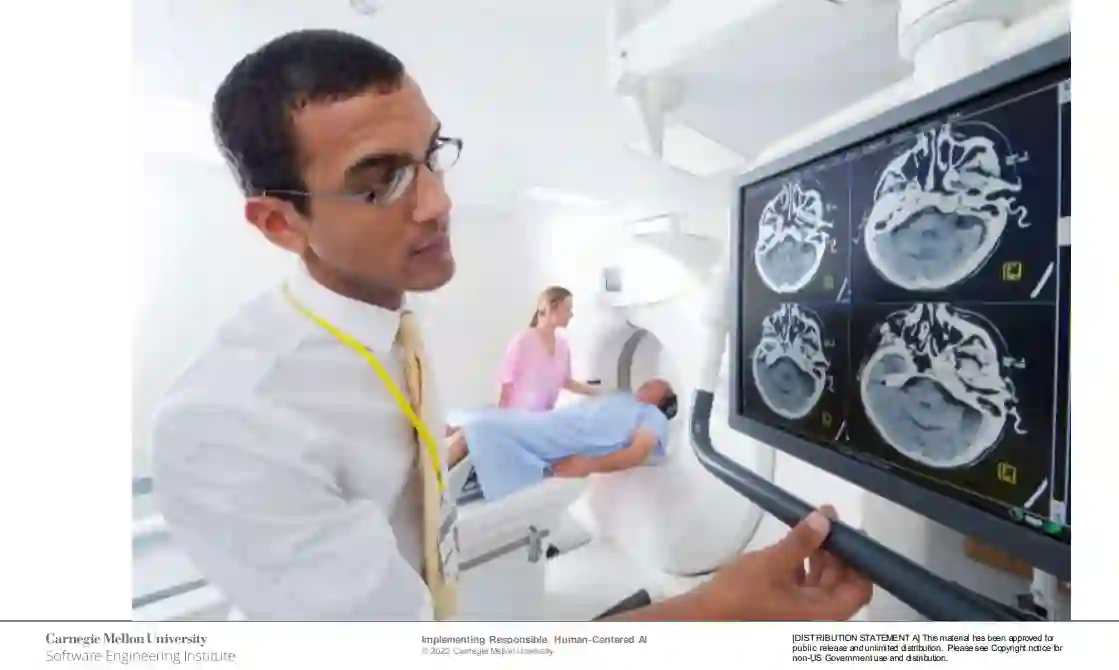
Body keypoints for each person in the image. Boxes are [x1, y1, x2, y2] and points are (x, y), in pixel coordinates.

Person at [150, 28, 872, 622]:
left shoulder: (392, 325)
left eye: (432, 156)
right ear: (280, 223)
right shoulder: (234, 424)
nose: (438, 203)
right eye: (380, 181)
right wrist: (720, 610)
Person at [447, 378, 677, 501]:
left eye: (652, 385)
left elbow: (637, 453)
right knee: (483, 414)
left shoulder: (651, 415)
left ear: (662, 400)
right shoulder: (622, 399)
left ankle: (434, 478)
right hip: (553, 421)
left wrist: (588, 464)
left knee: (480, 427)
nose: (645, 384)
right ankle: (442, 455)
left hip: (563, 436)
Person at [497, 285, 600, 411]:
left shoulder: (562, 345)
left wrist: (600, 392)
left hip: (545, 417)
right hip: (519, 417)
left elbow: (566, 381)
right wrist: (500, 419)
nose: (571, 315)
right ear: (552, 308)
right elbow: (506, 385)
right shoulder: (522, 341)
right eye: (567, 309)